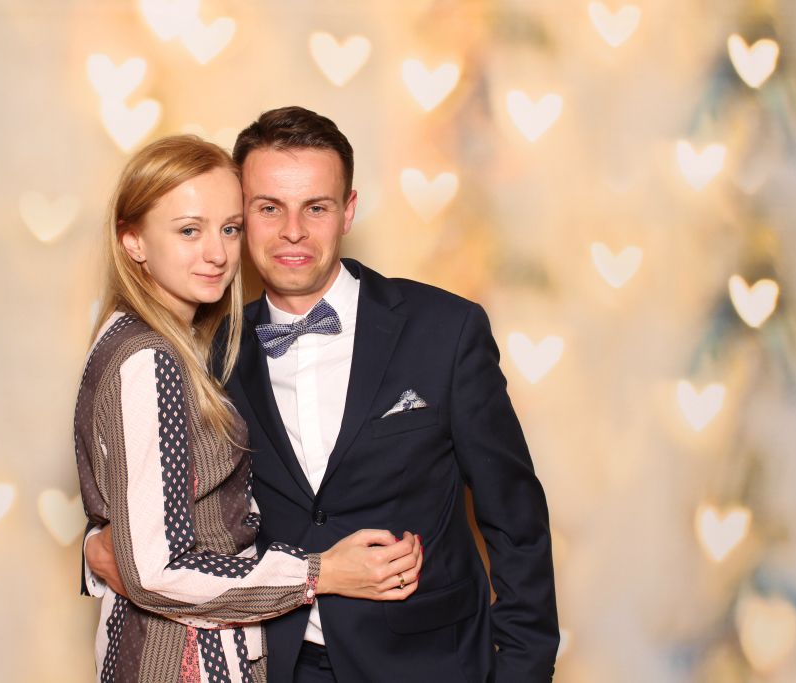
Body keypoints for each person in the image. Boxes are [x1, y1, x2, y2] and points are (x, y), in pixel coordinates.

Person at [87, 109, 559, 682]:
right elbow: (144, 489)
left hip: (429, 663)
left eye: (316, 207)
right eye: (268, 208)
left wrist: (521, 671)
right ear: (242, 215)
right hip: (274, 664)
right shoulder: (206, 352)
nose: (293, 231)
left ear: (348, 211)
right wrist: (96, 544)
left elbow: (516, 517)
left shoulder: (444, 330)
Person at [74, 135, 423, 683]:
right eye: (189, 230)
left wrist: (100, 541)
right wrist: (321, 573)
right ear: (133, 240)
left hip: (185, 650)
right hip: (185, 661)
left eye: (230, 228)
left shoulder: (147, 339)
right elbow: (157, 570)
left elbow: (134, 502)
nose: (217, 254)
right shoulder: (151, 359)